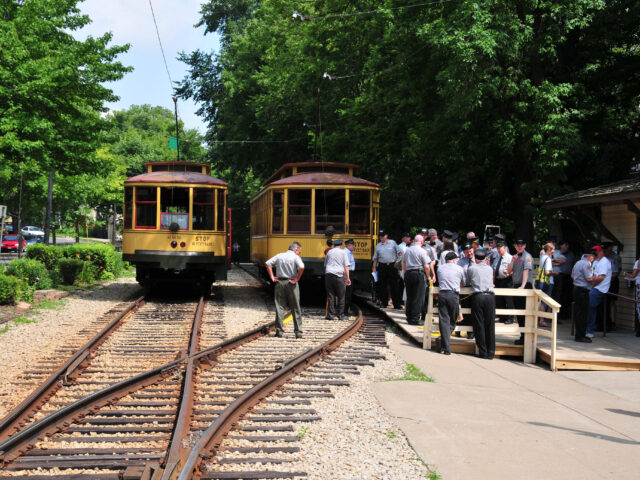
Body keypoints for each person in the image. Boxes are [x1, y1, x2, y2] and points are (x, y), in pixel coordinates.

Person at [265, 242, 305, 338]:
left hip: (280, 283)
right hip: (292, 283)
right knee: (295, 307)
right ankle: (298, 332)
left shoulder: (280, 255)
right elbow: (302, 267)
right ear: (296, 250)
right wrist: (297, 279)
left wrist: (272, 277)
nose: (299, 253)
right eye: (299, 251)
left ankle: (279, 332)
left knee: (280, 307)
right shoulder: (295, 257)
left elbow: (267, 263)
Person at [468, 249, 496, 359]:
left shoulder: (472, 268)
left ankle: (483, 351)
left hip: (478, 296)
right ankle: (491, 351)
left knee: (479, 323)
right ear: (485, 258)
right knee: (490, 324)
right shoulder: (490, 269)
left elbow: (468, 281)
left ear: (475, 258)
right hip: (490, 296)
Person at [436, 251, 465, 354]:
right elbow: (464, 282)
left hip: (442, 294)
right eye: (456, 259)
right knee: (453, 319)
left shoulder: (440, 268)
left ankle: (444, 343)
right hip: (453, 294)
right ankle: (446, 346)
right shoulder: (460, 269)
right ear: (453, 260)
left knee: (444, 320)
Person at [506, 239, 533, 345]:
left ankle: (525, 337)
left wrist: (523, 285)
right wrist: (512, 260)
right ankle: (522, 336)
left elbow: (526, 271)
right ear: (515, 246)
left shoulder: (527, 256)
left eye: (521, 245)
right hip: (516, 286)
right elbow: (508, 271)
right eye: (518, 245)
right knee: (519, 314)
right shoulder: (515, 256)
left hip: (524, 286)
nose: (520, 247)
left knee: (524, 313)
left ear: (525, 245)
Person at [402, 234, 432, 325]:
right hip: (418, 273)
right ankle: (415, 318)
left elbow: (403, 263)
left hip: (408, 273)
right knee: (418, 297)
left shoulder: (407, 250)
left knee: (410, 296)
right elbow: (426, 266)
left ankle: (409, 317)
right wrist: (428, 276)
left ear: (414, 241)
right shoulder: (422, 251)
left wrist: (405, 273)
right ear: (422, 242)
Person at [586, 245, 611, 338]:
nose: (594, 255)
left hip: (600, 288)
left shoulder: (604, 262)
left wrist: (592, 284)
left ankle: (589, 330)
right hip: (594, 286)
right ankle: (586, 328)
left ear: (600, 252)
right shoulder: (597, 261)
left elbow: (601, 277)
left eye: (595, 253)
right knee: (587, 305)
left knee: (590, 307)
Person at [372, 229, 402, 309]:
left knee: (394, 285)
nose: (381, 237)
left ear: (386, 236)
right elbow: (375, 258)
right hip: (382, 266)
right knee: (382, 285)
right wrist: (374, 268)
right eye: (380, 236)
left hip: (392, 265)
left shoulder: (393, 243)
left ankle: (396, 304)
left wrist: (398, 262)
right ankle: (384, 302)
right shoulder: (378, 245)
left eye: (382, 236)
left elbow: (400, 253)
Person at [324, 239, 351, 320]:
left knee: (330, 295)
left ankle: (331, 315)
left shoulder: (329, 252)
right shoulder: (343, 252)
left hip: (329, 275)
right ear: (341, 245)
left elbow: (325, 264)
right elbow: (346, 266)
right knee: (341, 296)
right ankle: (340, 315)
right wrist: (348, 278)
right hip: (339, 275)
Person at [572, 250, 595, 343]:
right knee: (583, 314)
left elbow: (572, 275)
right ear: (589, 256)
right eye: (593, 257)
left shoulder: (577, 263)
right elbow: (589, 278)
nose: (593, 259)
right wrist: (596, 279)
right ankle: (580, 336)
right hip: (583, 290)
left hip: (576, 288)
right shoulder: (587, 264)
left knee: (579, 313)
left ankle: (579, 334)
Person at [456, 242, 476, 339]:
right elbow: (458, 273)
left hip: (474, 288)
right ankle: (464, 330)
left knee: (473, 310)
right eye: (467, 252)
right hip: (464, 288)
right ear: (464, 252)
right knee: (464, 309)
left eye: (470, 251)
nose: (469, 253)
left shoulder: (478, 260)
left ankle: (471, 331)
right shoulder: (460, 261)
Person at [492, 240, 514, 324]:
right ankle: (502, 317)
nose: (498, 250)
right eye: (497, 248)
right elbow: (494, 271)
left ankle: (510, 318)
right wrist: (493, 282)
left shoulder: (510, 258)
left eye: (499, 248)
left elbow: (513, 271)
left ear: (504, 248)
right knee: (499, 300)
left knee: (509, 300)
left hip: (507, 280)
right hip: (498, 280)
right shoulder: (497, 258)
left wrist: (508, 272)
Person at [553, 240, 575, 319]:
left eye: (565, 246)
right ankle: (558, 315)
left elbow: (571, 263)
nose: (564, 248)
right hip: (560, 276)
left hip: (568, 277)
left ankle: (565, 314)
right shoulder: (558, 253)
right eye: (562, 246)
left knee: (566, 296)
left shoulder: (570, 254)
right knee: (559, 295)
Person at [535, 242, 556, 326]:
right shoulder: (548, 259)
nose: (554, 251)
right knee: (545, 300)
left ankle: (539, 318)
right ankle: (542, 320)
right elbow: (547, 272)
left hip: (540, 281)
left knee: (540, 300)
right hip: (547, 282)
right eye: (553, 249)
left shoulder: (543, 257)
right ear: (549, 250)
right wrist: (554, 273)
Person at [603, 242, 621, 330]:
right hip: (602, 282)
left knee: (612, 301)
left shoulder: (614, 257)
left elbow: (615, 273)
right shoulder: (602, 257)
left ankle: (613, 321)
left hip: (612, 281)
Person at [623, 256, 640, 336]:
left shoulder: (638, 262)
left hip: (639, 285)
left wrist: (625, 274)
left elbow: (633, 275)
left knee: (639, 307)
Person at [344, 239, 356, 316]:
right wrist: (347, 277)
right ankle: (345, 310)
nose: (354, 247)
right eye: (353, 245)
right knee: (347, 292)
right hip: (347, 273)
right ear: (348, 245)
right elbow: (346, 266)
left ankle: (346, 309)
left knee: (348, 292)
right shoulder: (346, 253)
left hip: (349, 273)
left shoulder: (349, 253)